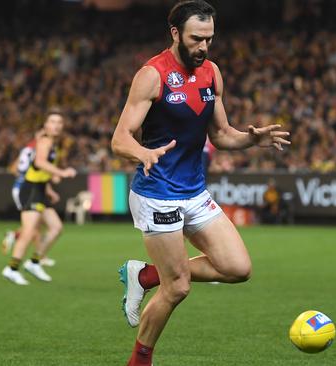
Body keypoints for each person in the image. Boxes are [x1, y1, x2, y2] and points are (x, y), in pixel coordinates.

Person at [111, 1, 290, 365]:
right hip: (157, 194)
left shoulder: (212, 73)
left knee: (238, 268)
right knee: (177, 287)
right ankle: (139, 359)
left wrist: (251, 139)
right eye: (196, 39)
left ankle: (145, 275)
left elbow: (222, 134)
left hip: (193, 191)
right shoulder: (152, 75)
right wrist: (141, 153)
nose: (203, 47)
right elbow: (120, 138)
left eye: (209, 39)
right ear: (176, 33)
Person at [1, 110, 77, 285]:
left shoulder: (53, 143)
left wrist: (50, 185)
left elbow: (41, 169)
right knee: (28, 232)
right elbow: (39, 163)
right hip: (31, 190)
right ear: (45, 126)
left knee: (56, 228)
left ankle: (34, 262)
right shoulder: (45, 141)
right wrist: (62, 172)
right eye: (52, 122)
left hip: (41, 189)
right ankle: (12, 269)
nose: (56, 125)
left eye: (59, 122)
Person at [1, 130, 54, 267]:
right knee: (33, 225)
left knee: (35, 224)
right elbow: (39, 171)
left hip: (21, 187)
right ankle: (38, 257)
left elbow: (13, 169)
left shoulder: (27, 149)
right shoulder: (39, 151)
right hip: (27, 189)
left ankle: (15, 236)